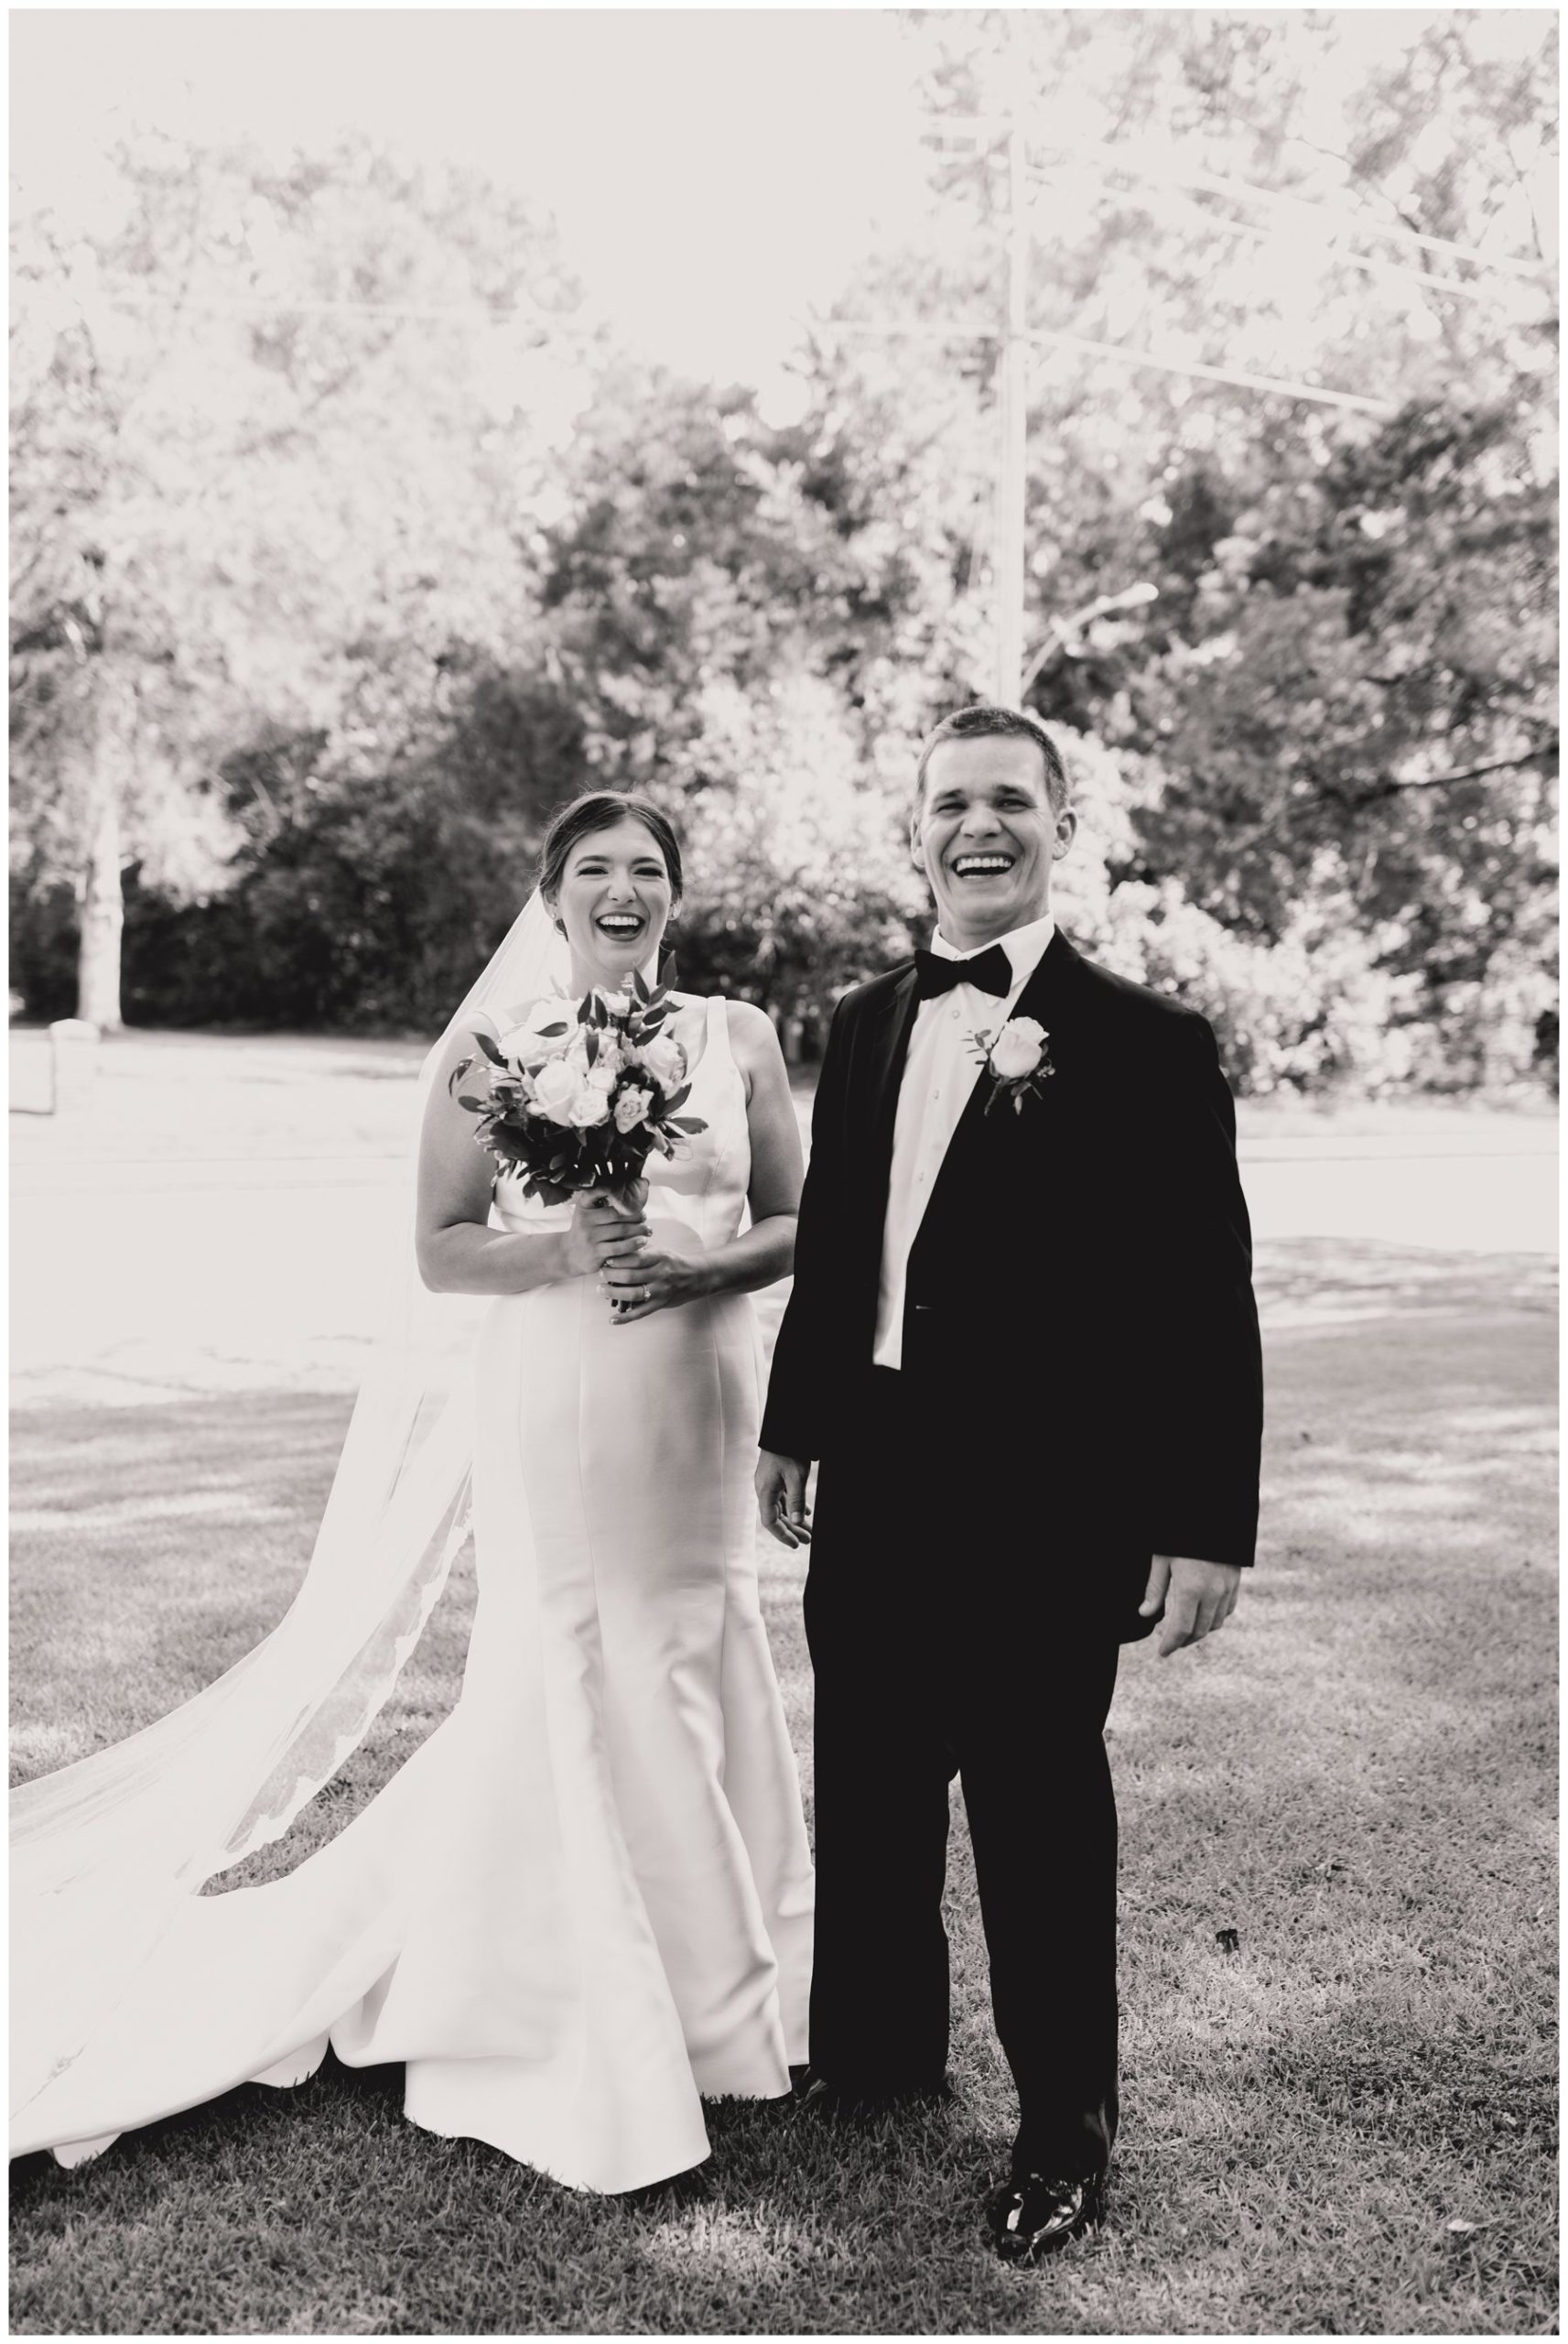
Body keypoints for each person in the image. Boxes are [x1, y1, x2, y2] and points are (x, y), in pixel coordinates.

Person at [12, 790, 815, 2196]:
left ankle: (732, 1994)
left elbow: (796, 1224)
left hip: (698, 1393)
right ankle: (566, 1997)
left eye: (646, 870)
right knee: (572, 1660)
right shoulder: (492, 1049)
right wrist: (569, 1249)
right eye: (593, 871)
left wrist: (694, 1269)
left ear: (675, 895)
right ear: (551, 894)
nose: (621, 891)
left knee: (697, 1649)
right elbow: (444, 1253)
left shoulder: (736, 1035)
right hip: (558, 1392)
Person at [756, 704, 1263, 2262]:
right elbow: (838, 1250)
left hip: (1055, 1501)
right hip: (882, 1475)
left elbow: (1203, 1294)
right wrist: (793, 1424)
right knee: (876, 1788)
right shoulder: (857, 1025)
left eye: (1008, 804)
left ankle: (1065, 2133)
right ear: (914, 832)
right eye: (950, 805)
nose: (979, 828)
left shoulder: (1148, 1043)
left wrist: (1200, 1523)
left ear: (1058, 826)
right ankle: (878, 2059)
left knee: (1041, 1820)